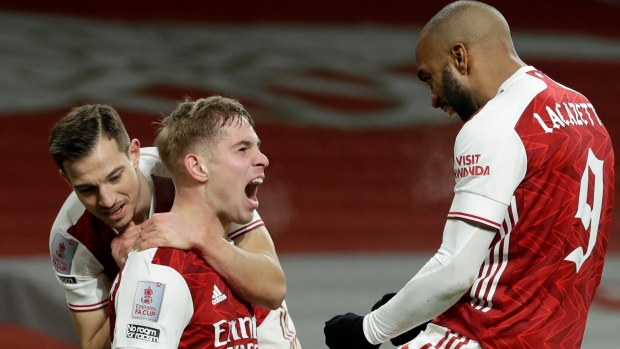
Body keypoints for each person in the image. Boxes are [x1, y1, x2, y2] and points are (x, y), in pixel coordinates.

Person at [324, 1, 615, 348]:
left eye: (429, 78)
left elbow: (454, 271)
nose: (433, 99)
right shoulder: (584, 111)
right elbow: (531, 257)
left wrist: (366, 331)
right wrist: (419, 314)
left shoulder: (496, 124)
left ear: (460, 57)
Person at [49, 104, 300, 349]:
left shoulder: (185, 170)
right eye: (87, 189)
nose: (108, 199)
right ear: (66, 179)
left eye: (115, 177)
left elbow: (273, 288)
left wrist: (200, 237)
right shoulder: (71, 238)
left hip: (249, 319)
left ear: (134, 154)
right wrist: (125, 286)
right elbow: (92, 344)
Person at [110, 96, 271, 348]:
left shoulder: (231, 260)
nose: (263, 159)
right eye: (242, 149)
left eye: (257, 146)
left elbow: (274, 290)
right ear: (198, 167)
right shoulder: (159, 271)